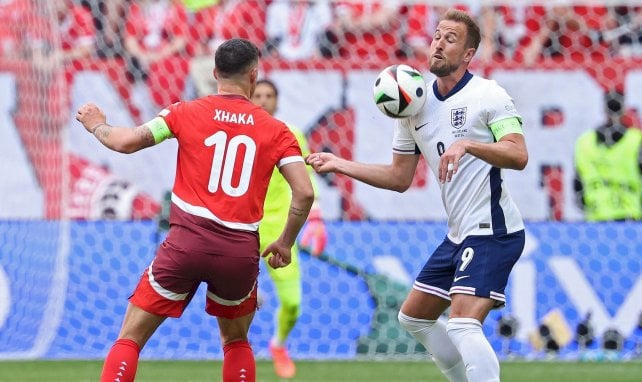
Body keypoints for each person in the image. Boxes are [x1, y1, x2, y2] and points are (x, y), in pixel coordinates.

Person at [75, 38, 315, 382]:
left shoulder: (182, 112)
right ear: (254, 74)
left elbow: (125, 142)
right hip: (238, 252)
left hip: (186, 245)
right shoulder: (278, 131)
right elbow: (304, 193)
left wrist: (96, 124)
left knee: (130, 337)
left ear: (215, 72)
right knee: (235, 342)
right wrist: (285, 242)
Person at [307, 9, 528, 382]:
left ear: (469, 53)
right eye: (437, 35)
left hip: (494, 229)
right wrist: (340, 163)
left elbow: (518, 155)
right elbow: (398, 177)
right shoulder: (414, 104)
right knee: (413, 316)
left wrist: (469, 145)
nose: (439, 43)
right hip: (458, 233)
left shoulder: (488, 94)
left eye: (451, 39)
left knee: (461, 326)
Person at [250, 79, 327, 379]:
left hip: (280, 232)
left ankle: (278, 345)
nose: (264, 100)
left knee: (293, 304)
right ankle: (239, 348)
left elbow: (307, 179)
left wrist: (316, 218)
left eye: (269, 95)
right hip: (243, 227)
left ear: (277, 101)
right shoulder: (237, 133)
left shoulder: (291, 135)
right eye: (258, 95)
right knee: (230, 297)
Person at [574, 90, 642, 221]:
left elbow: (577, 183)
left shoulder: (584, 141)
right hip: (630, 218)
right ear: (624, 108)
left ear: (604, 109)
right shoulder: (636, 140)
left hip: (596, 218)